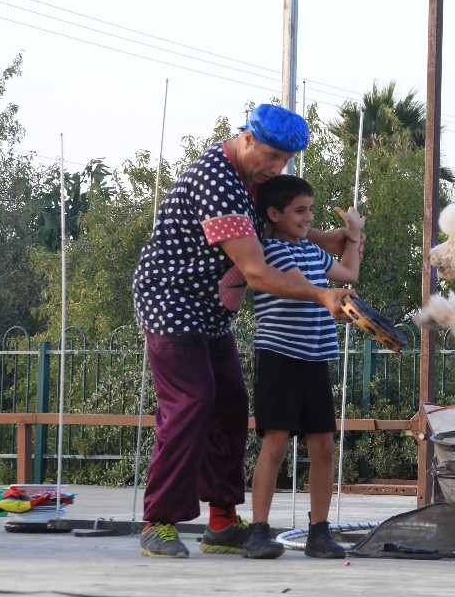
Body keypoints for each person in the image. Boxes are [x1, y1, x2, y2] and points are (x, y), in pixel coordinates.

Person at [132, 104, 358, 558]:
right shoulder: (216, 177)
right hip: (170, 305)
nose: (275, 168)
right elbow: (254, 270)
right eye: (271, 157)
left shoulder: (249, 181)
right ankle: (159, 521)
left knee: (231, 406)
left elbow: (264, 224)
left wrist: (322, 237)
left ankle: (221, 523)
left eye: (283, 162)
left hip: (211, 314)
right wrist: (320, 295)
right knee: (192, 402)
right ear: (247, 138)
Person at [242, 175, 364, 559]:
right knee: (275, 445)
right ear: (274, 214)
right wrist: (332, 295)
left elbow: (348, 274)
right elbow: (300, 285)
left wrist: (354, 237)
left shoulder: (312, 252)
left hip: (315, 357)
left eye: (310, 209)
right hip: (279, 356)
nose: (308, 217)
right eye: (300, 210)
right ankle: (258, 530)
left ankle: (319, 531)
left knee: (324, 446)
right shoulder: (272, 250)